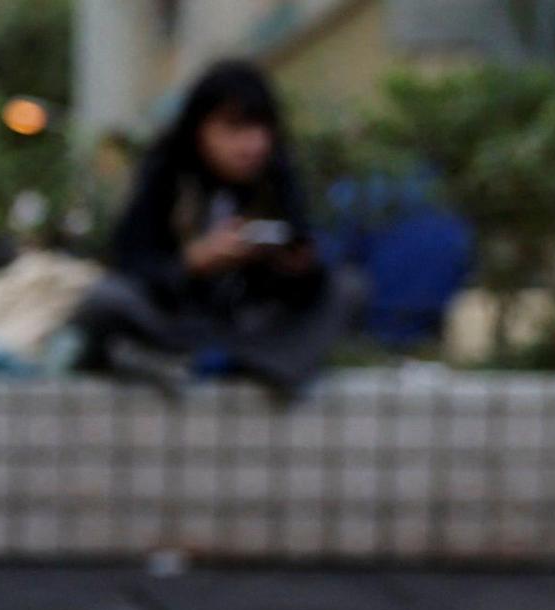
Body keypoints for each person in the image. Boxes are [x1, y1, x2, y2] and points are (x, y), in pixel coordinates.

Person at [70, 60, 363, 398]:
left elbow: (303, 269)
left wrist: (294, 269)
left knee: (347, 288)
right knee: (106, 298)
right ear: (200, 129)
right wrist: (192, 262)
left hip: (249, 328)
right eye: (234, 129)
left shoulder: (276, 177)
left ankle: (255, 370)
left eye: (260, 129)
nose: (252, 145)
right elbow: (129, 261)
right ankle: (177, 362)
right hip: (175, 322)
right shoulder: (166, 173)